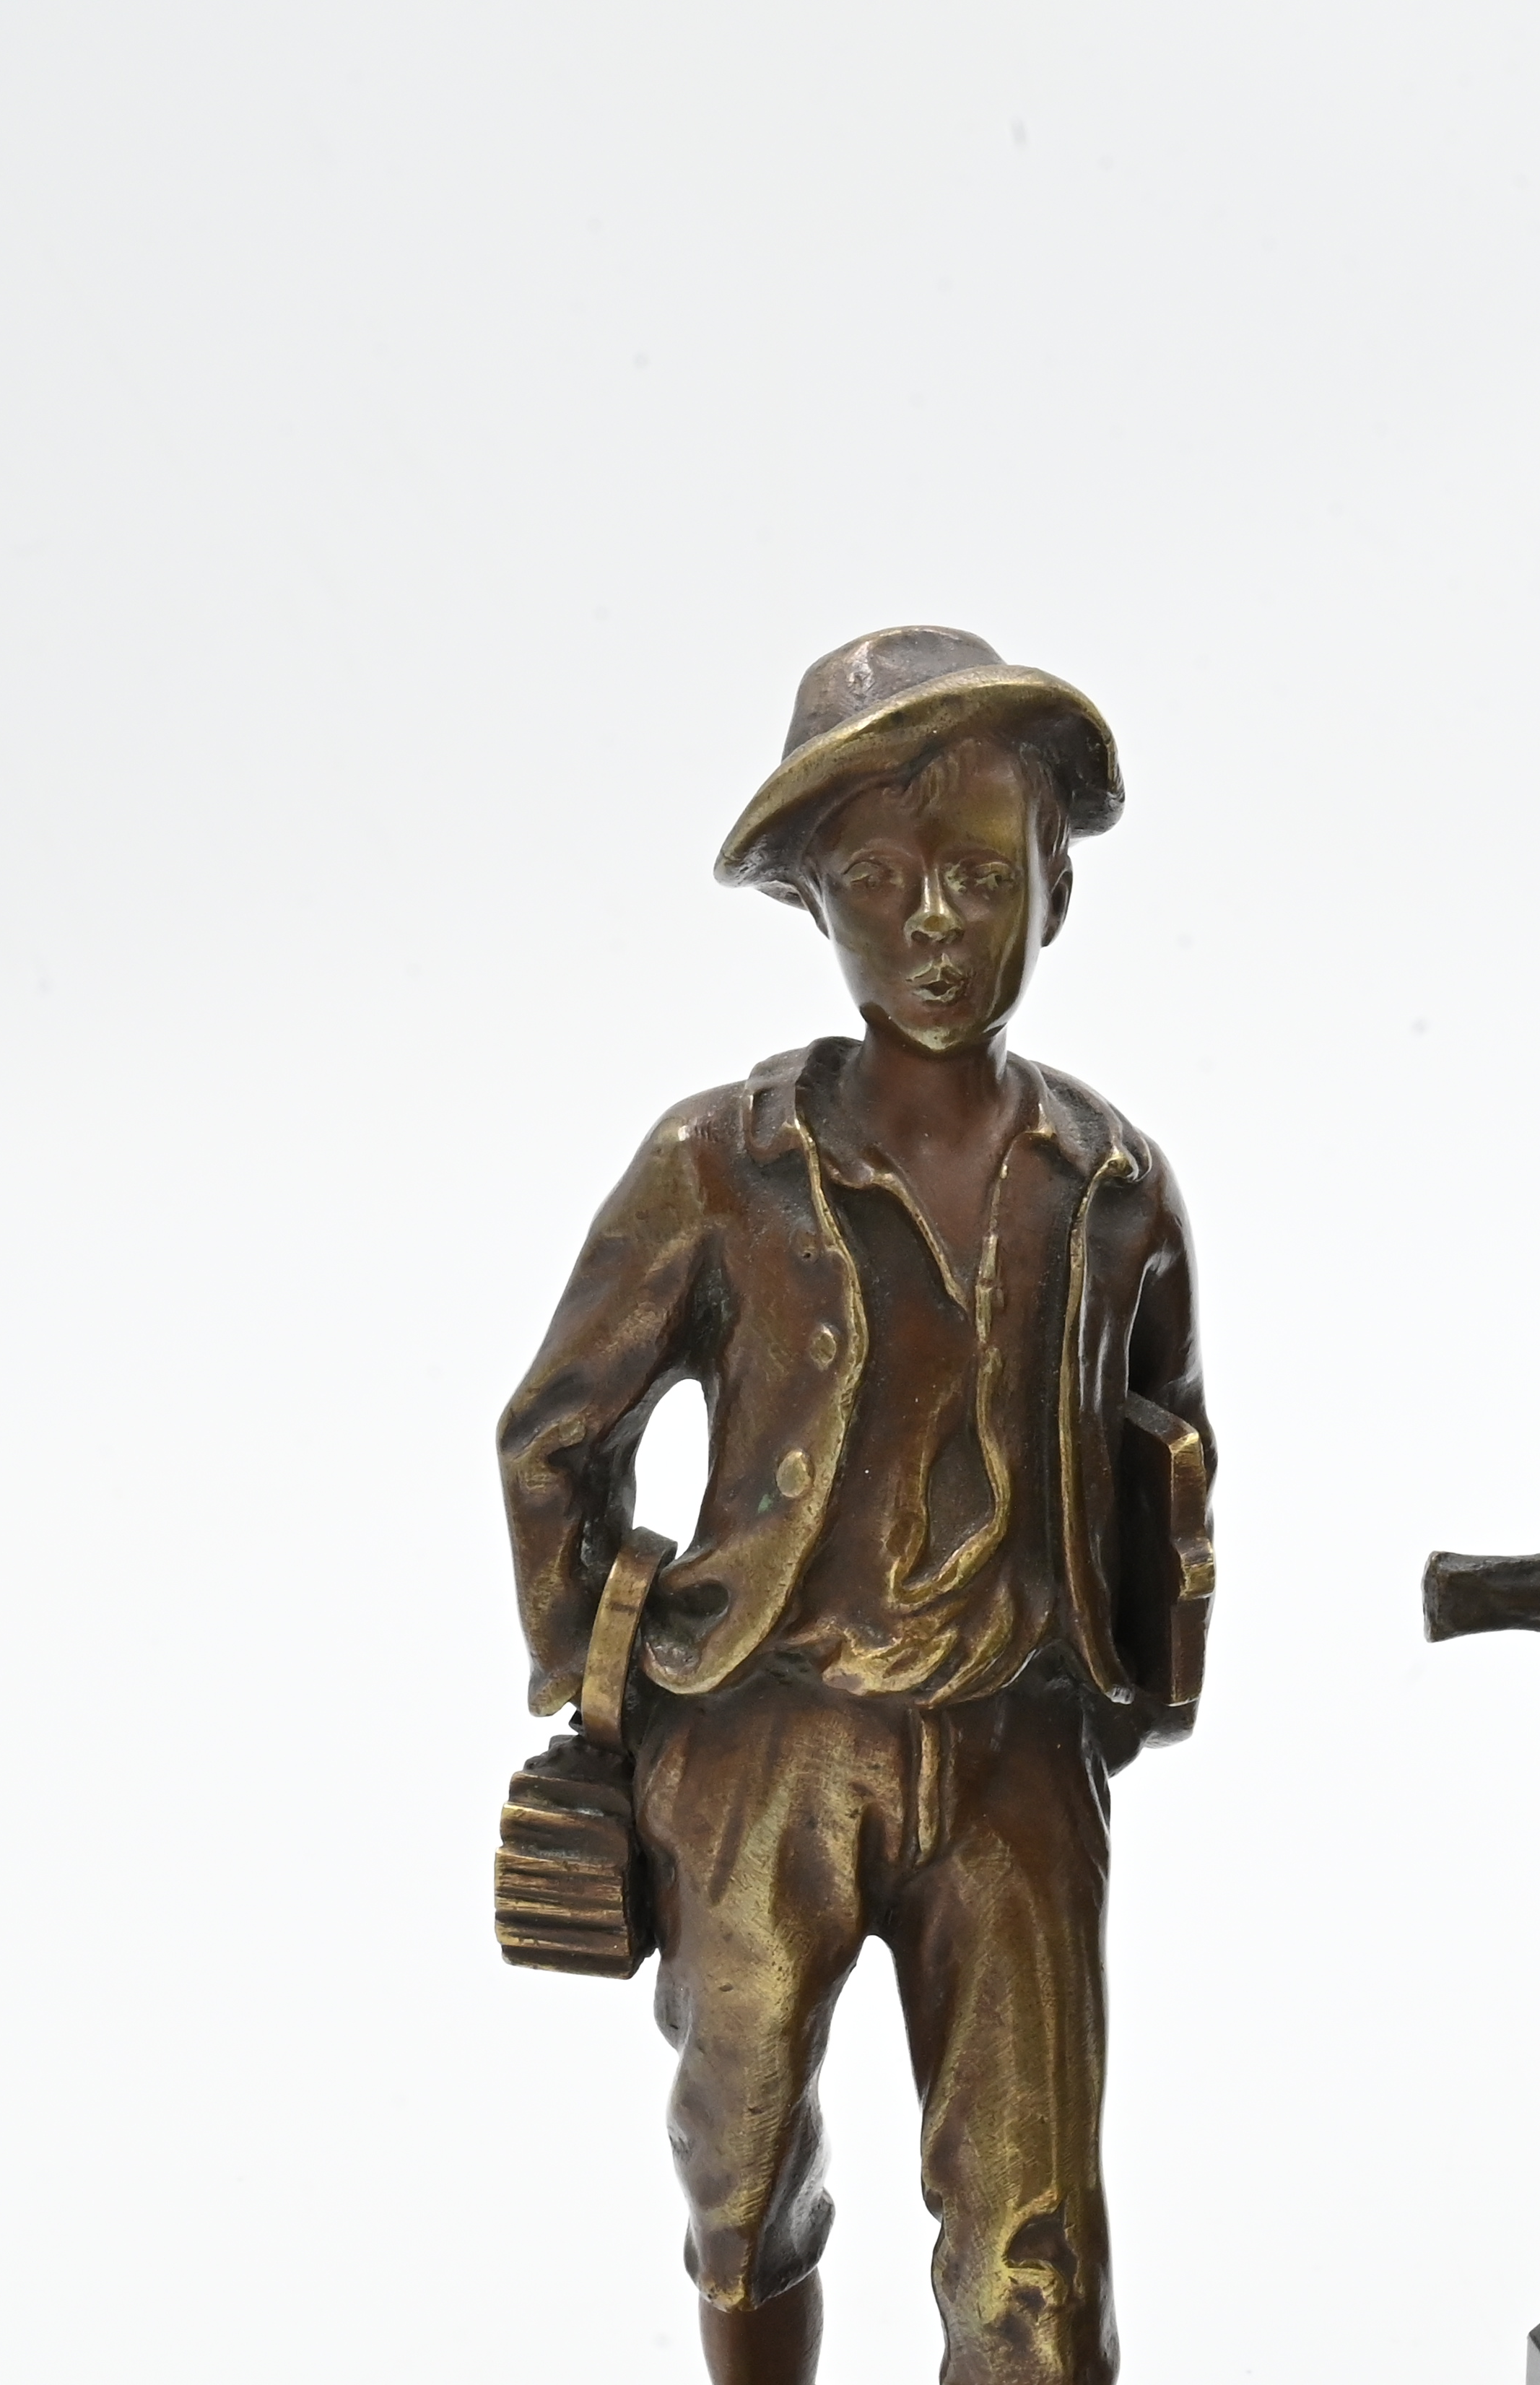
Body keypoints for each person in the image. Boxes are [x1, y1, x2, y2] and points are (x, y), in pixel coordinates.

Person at [493, 628, 1209, 2385]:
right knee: (738, 2165)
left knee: (1038, 2248)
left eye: (983, 875)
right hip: (765, 1741)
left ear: (1056, 886)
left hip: (1019, 1751)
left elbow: (1169, 1439)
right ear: (815, 905)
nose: (936, 923)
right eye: (880, 882)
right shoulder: (720, 1163)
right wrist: (602, 1689)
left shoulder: (1113, 1182)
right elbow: (555, 1436)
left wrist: (1137, 1682)